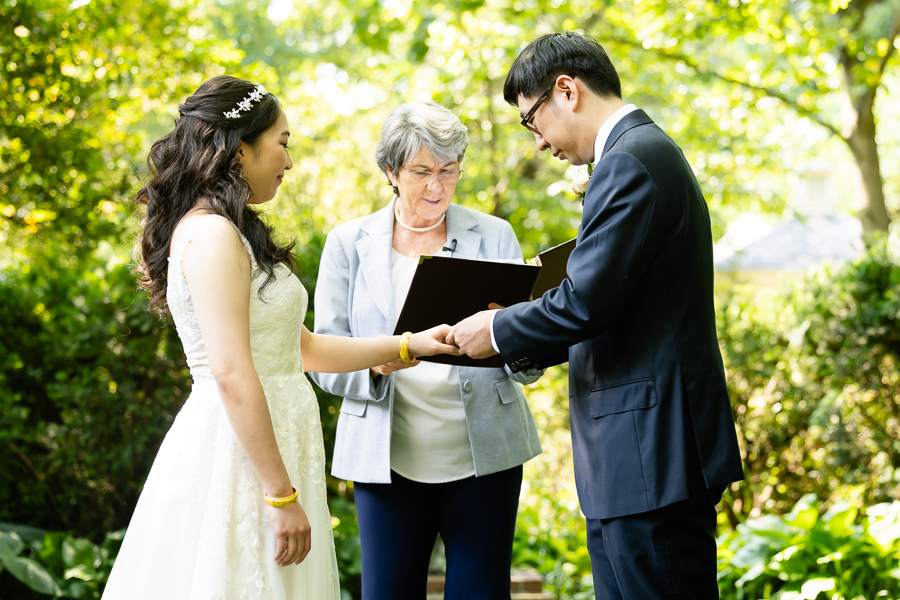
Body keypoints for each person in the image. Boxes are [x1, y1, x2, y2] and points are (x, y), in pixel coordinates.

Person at [103, 76, 458, 599]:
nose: (289, 160)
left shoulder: (235, 229)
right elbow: (231, 371)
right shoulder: (214, 234)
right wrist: (278, 495)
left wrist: (410, 345)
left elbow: (304, 348)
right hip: (241, 457)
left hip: (278, 445)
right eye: (283, 143)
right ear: (239, 147)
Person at [448, 33, 744, 599]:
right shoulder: (636, 155)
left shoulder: (631, 160)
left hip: (651, 453)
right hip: (638, 455)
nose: (538, 144)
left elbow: (588, 300)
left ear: (567, 91)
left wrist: (497, 329)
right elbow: (613, 298)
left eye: (532, 122)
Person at [308, 100, 544, 600]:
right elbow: (323, 358)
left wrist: (515, 332)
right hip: (385, 459)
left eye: (448, 170)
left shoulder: (494, 234)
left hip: (485, 456)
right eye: (421, 172)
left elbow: (528, 362)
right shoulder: (348, 242)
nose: (437, 186)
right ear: (391, 171)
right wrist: (375, 367)